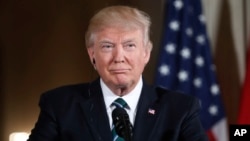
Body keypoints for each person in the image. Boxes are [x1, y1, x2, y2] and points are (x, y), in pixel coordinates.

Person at [27, 5, 208, 141]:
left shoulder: (180, 109)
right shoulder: (59, 105)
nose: (118, 57)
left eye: (129, 45)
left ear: (146, 53)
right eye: (107, 46)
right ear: (92, 55)